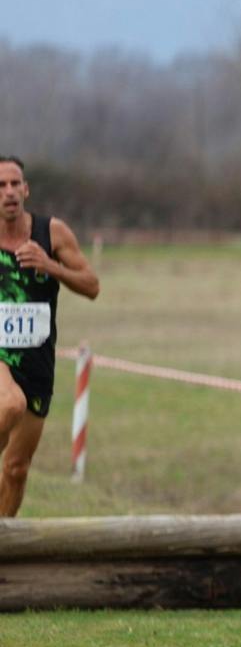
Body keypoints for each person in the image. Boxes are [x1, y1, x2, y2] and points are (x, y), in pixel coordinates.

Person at [0, 157, 101, 517]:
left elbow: (92, 286)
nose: (9, 192)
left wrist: (50, 266)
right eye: (1, 186)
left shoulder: (52, 233)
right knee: (9, 404)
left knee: (16, 470)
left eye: (15, 184)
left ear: (26, 189)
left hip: (37, 363)